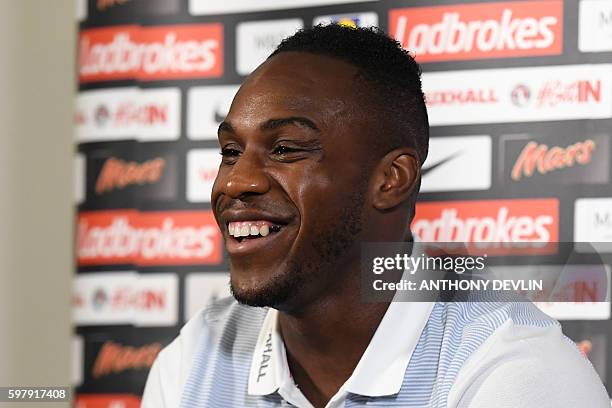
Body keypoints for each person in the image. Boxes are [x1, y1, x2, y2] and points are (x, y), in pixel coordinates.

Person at [142, 25, 610, 408]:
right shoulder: (195, 360)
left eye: (284, 149)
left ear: (390, 179)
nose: (234, 182)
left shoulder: (516, 374)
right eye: (230, 151)